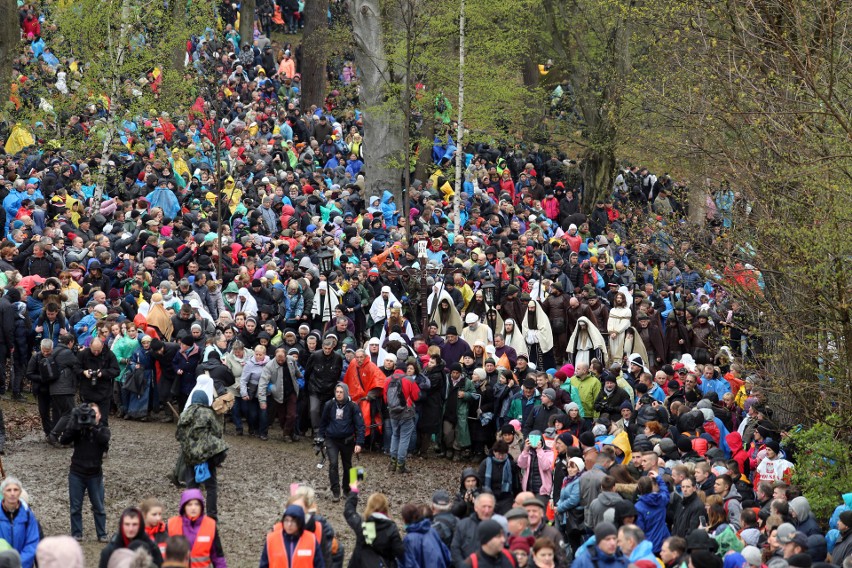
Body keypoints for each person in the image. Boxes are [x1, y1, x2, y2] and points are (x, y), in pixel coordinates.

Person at [60, 402, 110, 542]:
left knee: (99, 507)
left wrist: (92, 427)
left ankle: (102, 534)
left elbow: (104, 440)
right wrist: (74, 425)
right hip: (77, 472)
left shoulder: (103, 429)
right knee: (75, 507)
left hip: (95, 474)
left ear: (99, 415)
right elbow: (63, 440)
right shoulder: (78, 429)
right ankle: (77, 533)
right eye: (88, 414)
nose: (91, 417)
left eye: (94, 414)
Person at [175, 390, 228, 520]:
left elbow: (178, 435)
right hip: (206, 454)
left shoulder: (184, 413)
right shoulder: (208, 413)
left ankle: (190, 515)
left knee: (191, 486)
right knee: (211, 486)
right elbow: (217, 432)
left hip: (189, 455)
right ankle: (211, 516)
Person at [317, 383, 365, 502]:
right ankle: (335, 491)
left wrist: (359, 443)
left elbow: (360, 426)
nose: (338, 394)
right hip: (331, 440)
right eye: (337, 392)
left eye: (340, 392)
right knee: (333, 464)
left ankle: (347, 490)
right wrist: (319, 439)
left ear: (346, 393)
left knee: (347, 465)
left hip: (347, 441)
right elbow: (322, 423)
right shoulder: (329, 405)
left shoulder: (353, 407)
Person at [343, 480, 404, 568]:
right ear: (385, 507)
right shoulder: (391, 528)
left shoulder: (364, 525)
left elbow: (349, 511)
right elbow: (400, 552)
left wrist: (354, 491)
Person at [166, 489, 225, 568]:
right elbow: (161, 554)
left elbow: (217, 556)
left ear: (201, 507)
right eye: (189, 505)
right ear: (184, 507)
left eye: (197, 504)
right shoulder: (171, 524)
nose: (193, 508)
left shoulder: (210, 525)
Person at [259, 504, 324, 568]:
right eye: (286, 520)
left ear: (300, 522)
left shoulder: (311, 540)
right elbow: (264, 565)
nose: (289, 524)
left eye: (293, 521)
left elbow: (319, 565)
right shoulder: (272, 540)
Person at [98, 507, 163, 568]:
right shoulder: (110, 551)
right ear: (121, 525)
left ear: (141, 526)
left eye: (134, 524)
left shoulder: (152, 547)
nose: (130, 529)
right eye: (127, 524)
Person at [383, 368, 420, 474]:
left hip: (393, 413)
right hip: (406, 413)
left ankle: (393, 462)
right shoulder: (408, 379)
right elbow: (416, 396)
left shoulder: (387, 380)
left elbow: (386, 399)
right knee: (404, 438)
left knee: (395, 435)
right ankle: (401, 465)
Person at [0, 477, 40, 568]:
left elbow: (32, 542)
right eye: (9, 490)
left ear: (20, 492)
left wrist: (19, 564)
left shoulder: (28, 515)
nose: (12, 493)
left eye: (16, 490)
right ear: (3, 493)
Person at [400, 501, 452, 568]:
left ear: (404, 520)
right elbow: (447, 556)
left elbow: (410, 564)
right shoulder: (432, 531)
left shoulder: (408, 539)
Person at [453, 492, 496, 567]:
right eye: (484, 507)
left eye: (490, 507)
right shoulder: (463, 525)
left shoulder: (498, 525)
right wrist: (462, 565)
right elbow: (455, 548)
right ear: (476, 508)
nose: (487, 511)